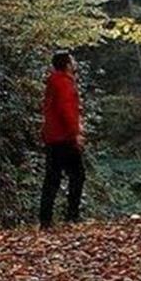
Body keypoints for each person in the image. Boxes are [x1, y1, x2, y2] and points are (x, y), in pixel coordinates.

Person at [39, 50, 84, 228]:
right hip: (64, 137)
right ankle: (72, 215)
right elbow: (67, 111)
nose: (74, 64)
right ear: (67, 65)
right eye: (72, 61)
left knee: (52, 178)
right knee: (78, 175)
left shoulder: (53, 82)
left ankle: (45, 220)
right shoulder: (64, 83)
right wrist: (76, 134)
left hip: (52, 136)